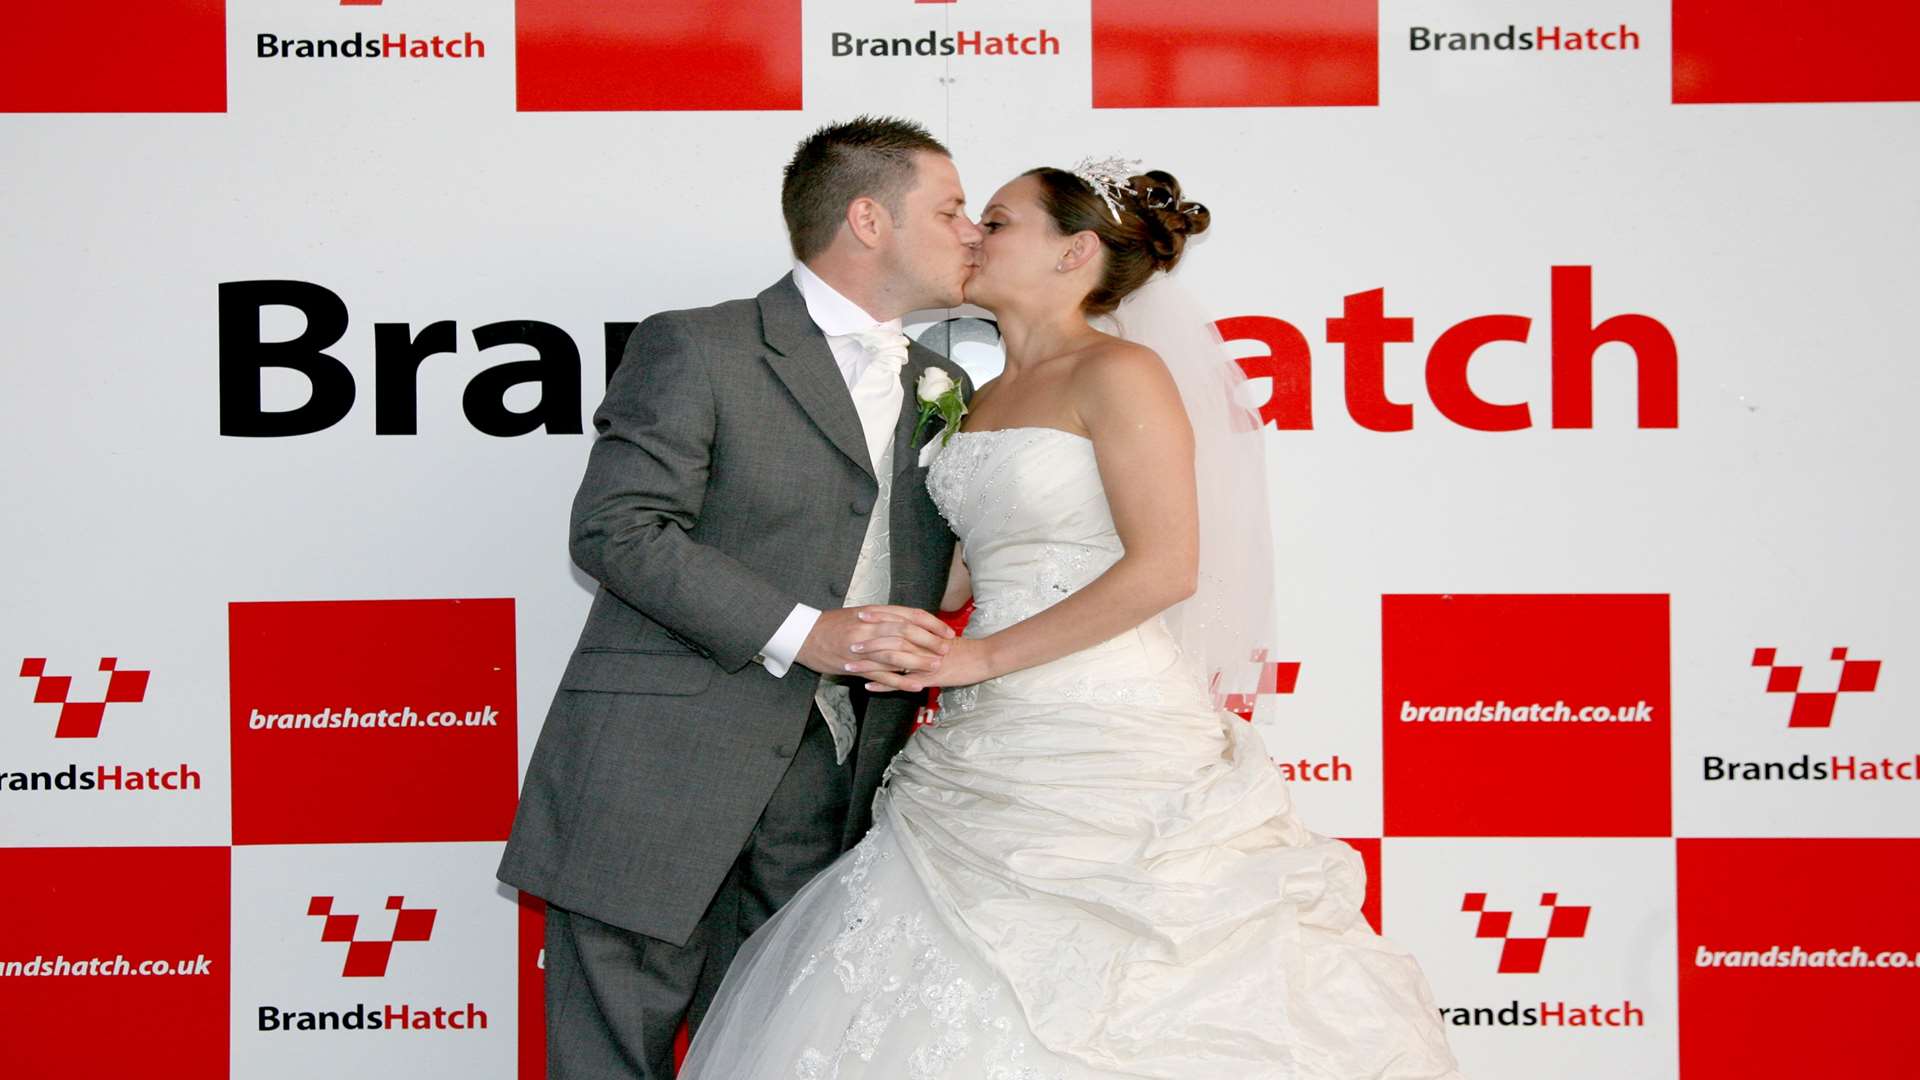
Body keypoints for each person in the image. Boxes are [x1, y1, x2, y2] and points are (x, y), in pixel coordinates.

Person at [678, 162, 1465, 1078]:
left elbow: (1166, 567)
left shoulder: (1121, 372)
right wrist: (836, 619)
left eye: (999, 221)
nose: (973, 234)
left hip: (1105, 730)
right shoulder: (966, 399)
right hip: (981, 748)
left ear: (1076, 252)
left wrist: (981, 658)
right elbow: (958, 570)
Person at [496, 116, 983, 1079]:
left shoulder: (944, 380)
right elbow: (617, 530)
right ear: (868, 219)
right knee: (609, 1051)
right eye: (953, 208)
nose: (973, 231)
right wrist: (809, 634)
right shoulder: (701, 346)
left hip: (844, 781)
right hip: (658, 769)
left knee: (773, 1051)